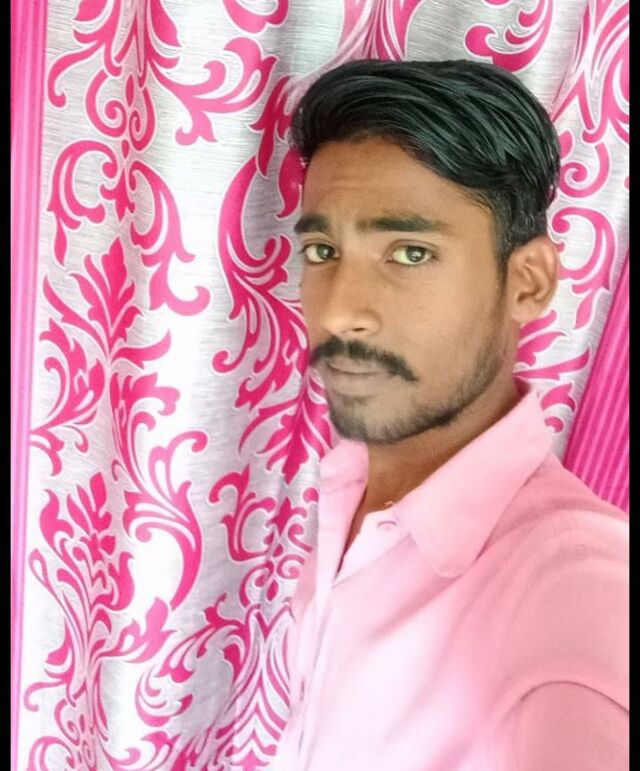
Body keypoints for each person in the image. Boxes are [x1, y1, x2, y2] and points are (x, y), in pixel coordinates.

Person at [271, 59, 628, 771]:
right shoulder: (349, 485)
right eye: (323, 250)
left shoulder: (576, 595)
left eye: (410, 252)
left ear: (527, 282)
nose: (339, 312)